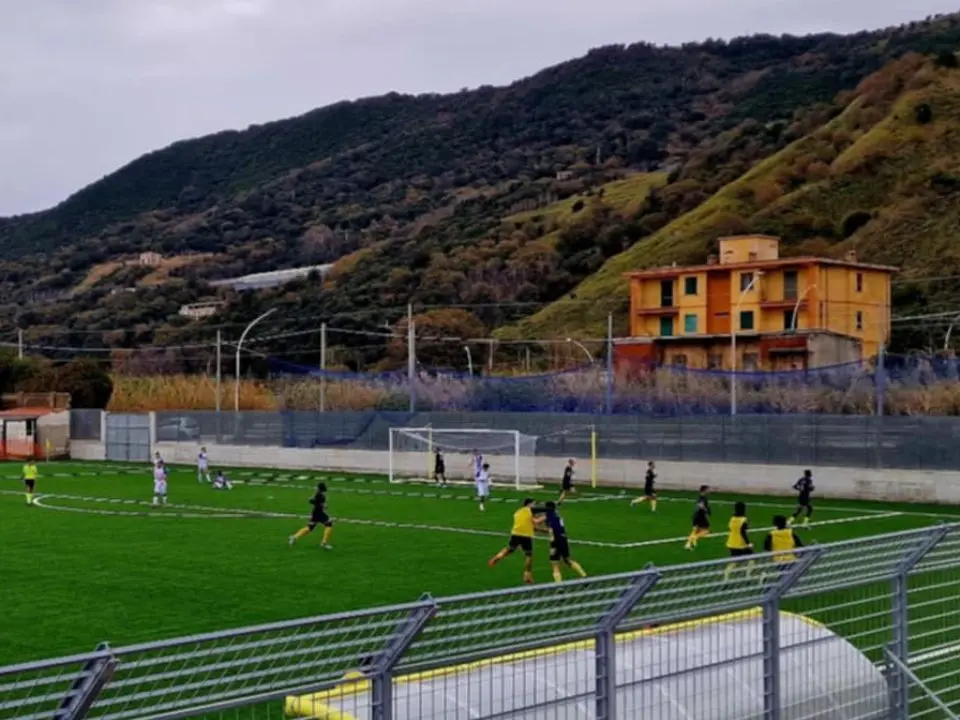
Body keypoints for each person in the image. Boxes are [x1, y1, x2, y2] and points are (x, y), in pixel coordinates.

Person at [488, 498, 544, 584]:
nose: (534, 506)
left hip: (515, 533)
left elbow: (533, 526)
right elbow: (536, 522)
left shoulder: (518, 512)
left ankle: (496, 558)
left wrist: (546, 530)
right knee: (528, 555)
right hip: (525, 536)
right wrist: (546, 516)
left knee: (509, 549)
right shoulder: (528, 510)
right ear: (529, 504)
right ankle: (527, 575)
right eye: (533, 504)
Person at [540, 501, 587, 583]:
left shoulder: (548, 516)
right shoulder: (557, 515)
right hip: (563, 539)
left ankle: (559, 585)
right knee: (568, 560)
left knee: (555, 564)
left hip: (555, 541)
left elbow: (547, 528)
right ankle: (584, 575)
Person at [289, 482, 334, 550]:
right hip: (319, 513)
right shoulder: (320, 495)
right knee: (329, 524)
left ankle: (294, 537)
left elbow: (311, 501)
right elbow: (313, 501)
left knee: (309, 528)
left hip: (315, 513)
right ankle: (324, 543)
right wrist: (322, 505)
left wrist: (320, 505)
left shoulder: (318, 493)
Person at [763, 515, 805, 582]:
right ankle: (770, 576)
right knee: (788, 575)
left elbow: (766, 548)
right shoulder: (790, 533)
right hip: (791, 558)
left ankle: (768, 575)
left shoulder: (771, 534)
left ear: (775, 524)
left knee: (785, 574)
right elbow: (800, 544)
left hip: (778, 559)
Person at [723, 501, 754, 581]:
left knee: (734, 561)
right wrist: (748, 543)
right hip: (741, 544)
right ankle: (748, 575)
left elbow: (730, 528)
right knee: (752, 558)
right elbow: (742, 532)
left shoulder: (732, 519)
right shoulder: (744, 520)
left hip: (731, 543)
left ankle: (726, 577)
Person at [684, 485, 711, 551]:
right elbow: (700, 505)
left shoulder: (700, 497)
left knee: (695, 530)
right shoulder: (702, 498)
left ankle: (687, 544)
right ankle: (695, 538)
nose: (709, 491)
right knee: (706, 531)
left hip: (696, 516)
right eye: (708, 489)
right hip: (701, 517)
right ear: (704, 490)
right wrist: (706, 511)